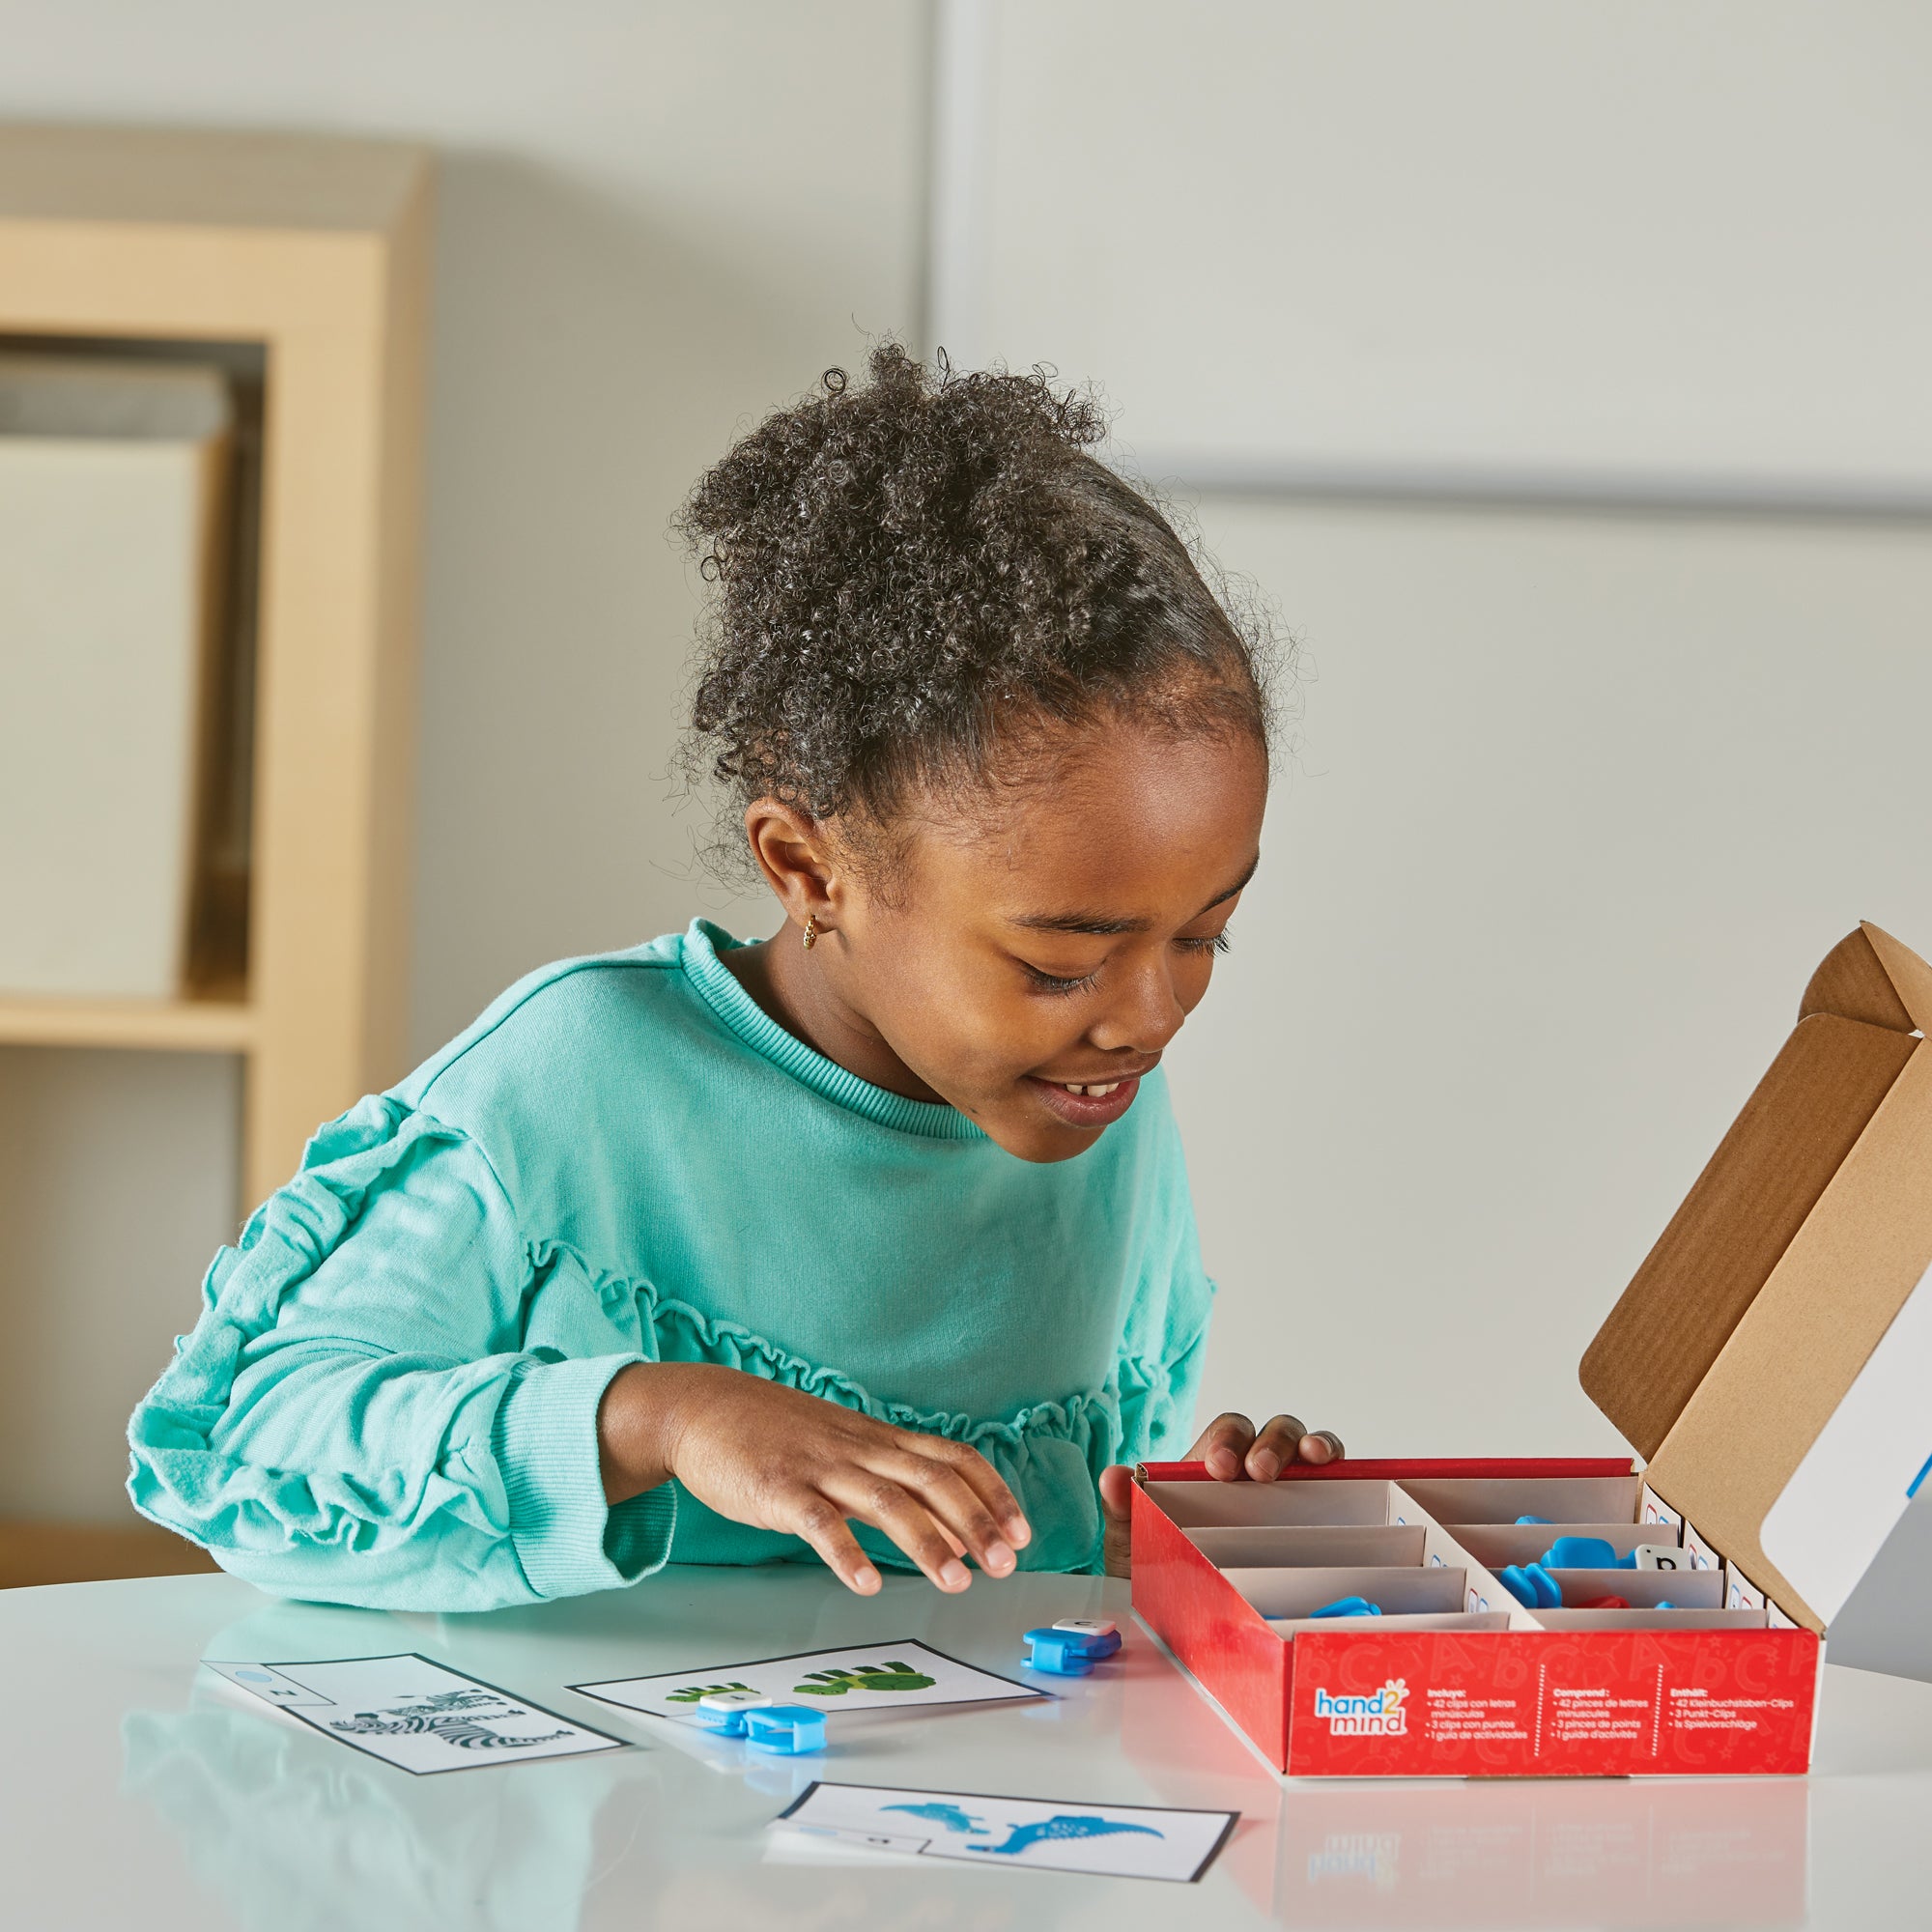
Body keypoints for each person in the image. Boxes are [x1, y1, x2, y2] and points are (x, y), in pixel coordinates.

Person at [128, 347, 1342, 1613]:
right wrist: (658, 1415)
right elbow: (243, 1453)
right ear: (810, 869)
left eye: (1207, 933)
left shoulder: (1092, 1112)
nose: (1149, 1017)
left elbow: (1008, 1581)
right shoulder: (574, 1082)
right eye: (1060, 962)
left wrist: (1154, 1541)